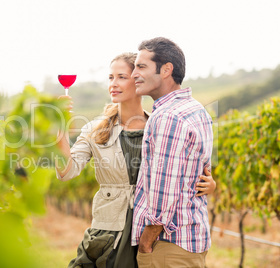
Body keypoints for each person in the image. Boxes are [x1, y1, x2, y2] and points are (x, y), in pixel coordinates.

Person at [55, 52, 215, 268]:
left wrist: (209, 184)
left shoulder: (160, 125)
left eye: (121, 77)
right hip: (108, 230)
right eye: (110, 78)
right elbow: (67, 172)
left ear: (138, 80)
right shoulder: (95, 129)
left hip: (150, 232)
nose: (113, 84)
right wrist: (60, 130)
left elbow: (180, 172)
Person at [131, 37, 214, 268]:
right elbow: (202, 171)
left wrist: (146, 240)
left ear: (166, 69)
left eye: (141, 66)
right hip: (192, 238)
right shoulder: (196, 109)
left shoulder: (167, 117)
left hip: (166, 244)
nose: (133, 74)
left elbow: (164, 189)